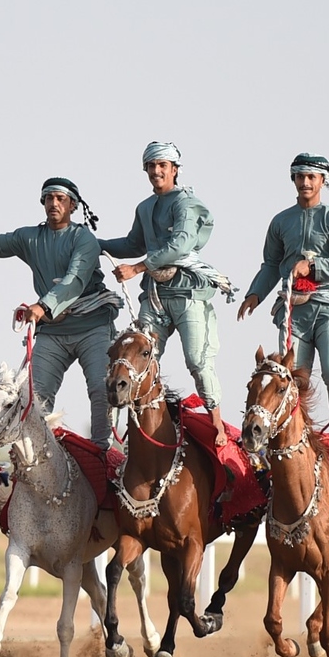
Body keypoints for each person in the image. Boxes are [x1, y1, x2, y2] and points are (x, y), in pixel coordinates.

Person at [0, 177, 122, 448]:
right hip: (52, 330)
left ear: (73, 205)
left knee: (101, 389)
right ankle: (36, 459)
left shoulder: (84, 239)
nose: (54, 203)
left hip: (92, 326)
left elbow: (74, 280)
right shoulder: (29, 237)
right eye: (49, 198)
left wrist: (42, 306)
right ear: (43, 202)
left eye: (61, 199)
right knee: (34, 397)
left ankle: (102, 453)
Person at [99, 141, 236, 447]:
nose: (156, 171)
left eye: (162, 165)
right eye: (151, 166)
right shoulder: (145, 208)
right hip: (155, 295)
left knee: (197, 361)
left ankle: (218, 427)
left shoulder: (185, 203)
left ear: (175, 169)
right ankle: (137, 426)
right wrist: (96, 244)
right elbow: (135, 243)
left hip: (188, 294)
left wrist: (137, 268)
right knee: (135, 353)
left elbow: (182, 244)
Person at [237, 153, 329, 445]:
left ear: (323, 181)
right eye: (300, 176)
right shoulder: (281, 221)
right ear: (293, 179)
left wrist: (314, 267)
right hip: (293, 309)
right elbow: (271, 264)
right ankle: (296, 436)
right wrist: (255, 294)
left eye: (311, 177)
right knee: (293, 378)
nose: (305, 182)